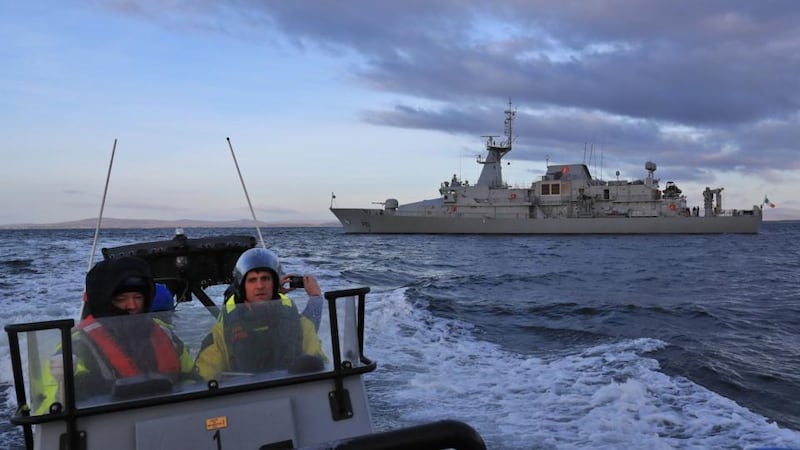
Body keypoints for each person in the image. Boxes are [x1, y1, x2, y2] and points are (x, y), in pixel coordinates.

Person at [35, 257, 194, 412]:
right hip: (109, 429)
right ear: (103, 301)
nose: (131, 305)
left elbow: (192, 378)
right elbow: (47, 410)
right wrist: (63, 386)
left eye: (138, 297)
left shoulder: (165, 334)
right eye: (121, 299)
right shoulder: (77, 346)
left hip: (170, 418)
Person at [193, 248, 326, 381]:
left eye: (265, 279)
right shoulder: (222, 333)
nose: (259, 286)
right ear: (242, 287)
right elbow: (202, 378)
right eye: (252, 280)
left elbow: (322, 364)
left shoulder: (301, 325)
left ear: (275, 284)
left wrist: (313, 365)